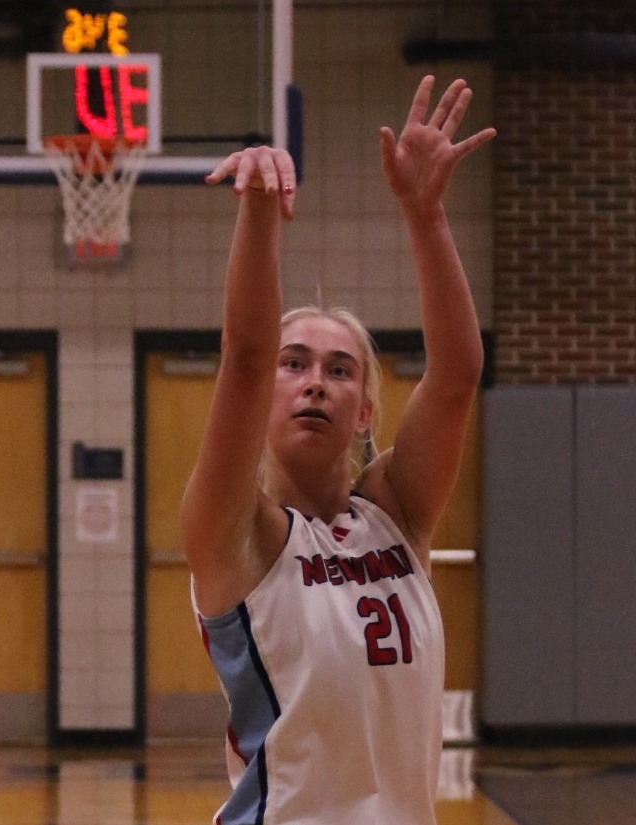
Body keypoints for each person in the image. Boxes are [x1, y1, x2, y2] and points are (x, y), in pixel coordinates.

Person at [180, 75, 495, 825]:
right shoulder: (235, 535)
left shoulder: (398, 513)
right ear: (265, 398)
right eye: (296, 364)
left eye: (339, 369)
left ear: (365, 412)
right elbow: (246, 351)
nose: (314, 382)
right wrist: (259, 213)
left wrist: (426, 215)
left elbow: (456, 376)